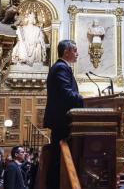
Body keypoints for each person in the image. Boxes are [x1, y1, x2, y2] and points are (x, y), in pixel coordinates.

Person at [44, 40, 84, 189]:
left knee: (59, 157)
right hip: (62, 121)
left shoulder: (61, 67)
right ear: (66, 51)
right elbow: (66, 94)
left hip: (62, 120)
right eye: (74, 50)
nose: (77, 53)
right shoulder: (61, 67)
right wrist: (85, 100)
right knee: (58, 159)